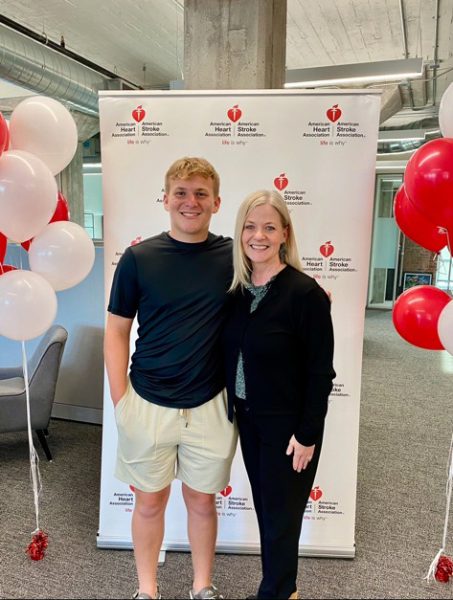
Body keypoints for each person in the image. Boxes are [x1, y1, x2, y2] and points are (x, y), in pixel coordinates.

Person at [104, 157, 238, 600]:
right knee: (149, 501)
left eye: (201, 193)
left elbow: (275, 298)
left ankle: (203, 587)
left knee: (202, 501)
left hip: (210, 404)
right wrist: (121, 400)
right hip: (146, 401)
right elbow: (117, 330)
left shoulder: (234, 256)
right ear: (165, 199)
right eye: (181, 192)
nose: (190, 201)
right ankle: (148, 590)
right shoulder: (139, 258)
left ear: (216, 202)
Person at [222, 190, 335, 600]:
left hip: (289, 429)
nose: (259, 235)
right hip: (249, 421)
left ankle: (275, 592)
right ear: (240, 233)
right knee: (269, 515)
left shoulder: (305, 294)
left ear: (284, 233)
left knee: (282, 520)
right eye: (250, 227)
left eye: (269, 227)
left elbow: (321, 372)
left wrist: (307, 434)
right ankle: (283, 591)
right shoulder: (236, 291)